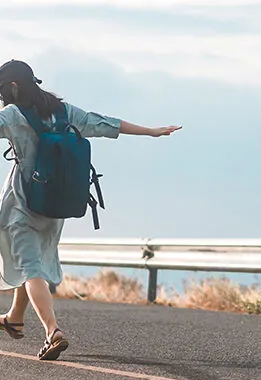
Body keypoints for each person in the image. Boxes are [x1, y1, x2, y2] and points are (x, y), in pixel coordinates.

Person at [0, 59, 181, 360]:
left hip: (24, 206)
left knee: (30, 267)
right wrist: (150, 131)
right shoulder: (64, 111)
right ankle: (15, 317)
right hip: (56, 207)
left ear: (14, 87)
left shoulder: (12, 115)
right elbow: (105, 123)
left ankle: (52, 331)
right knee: (31, 263)